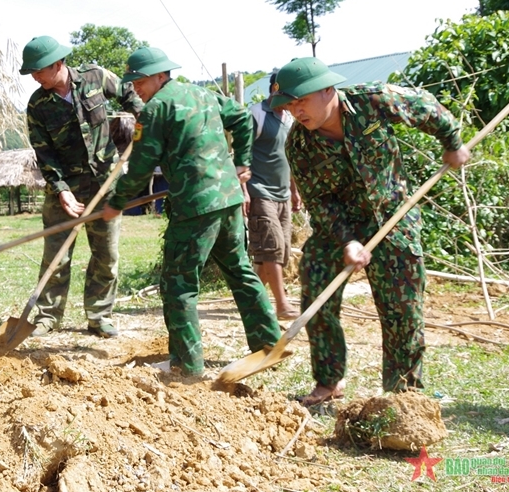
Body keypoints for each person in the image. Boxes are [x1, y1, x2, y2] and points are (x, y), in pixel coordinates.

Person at [272, 57, 470, 406]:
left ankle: (403, 394)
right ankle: (329, 381)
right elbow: (320, 201)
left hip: (392, 216)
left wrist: (452, 143)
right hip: (339, 227)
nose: (295, 111)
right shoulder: (299, 146)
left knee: (401, 309)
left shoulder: (372, 100)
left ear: (328, 90)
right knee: (316, 292)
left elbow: (426, 107)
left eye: (300, 101)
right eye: (288, 104)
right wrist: (348, 240)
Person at [102, 47, 281, 377]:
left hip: (196, 205)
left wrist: (116, 201)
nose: (135, 87)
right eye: (132, 82)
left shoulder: (155, 110)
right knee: (240, 271)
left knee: (178, 284)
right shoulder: (202, 94)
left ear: (160, 75)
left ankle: (186, 365)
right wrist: (241, 161)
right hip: (227, 198)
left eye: (139, 80)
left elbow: (141, 165)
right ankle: (270, 344)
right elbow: (241, 117)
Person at [20, 36, 143, 338]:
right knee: (57, 255)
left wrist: (144, 118)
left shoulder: (95, 77)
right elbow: (43, 152)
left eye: (38, 71)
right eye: (32, 73)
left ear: (58, 64)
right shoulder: (37, 105)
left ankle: (99, 316)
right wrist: (61, 189)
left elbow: (130, 94)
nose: (35, 77)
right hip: (65, 189)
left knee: (106, 254)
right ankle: (48, 316)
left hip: (105, 182)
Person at [245, 71, 301, 321]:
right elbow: (241, 155)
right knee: (272, 248)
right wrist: (244, 191)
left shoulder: (289, 118)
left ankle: (253, 302)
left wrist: (295, 191)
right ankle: (281, 304)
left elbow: (288, 158)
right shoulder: (256, 114)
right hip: (260, 191)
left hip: (283, 194)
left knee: (283, 250)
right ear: (275, 89)